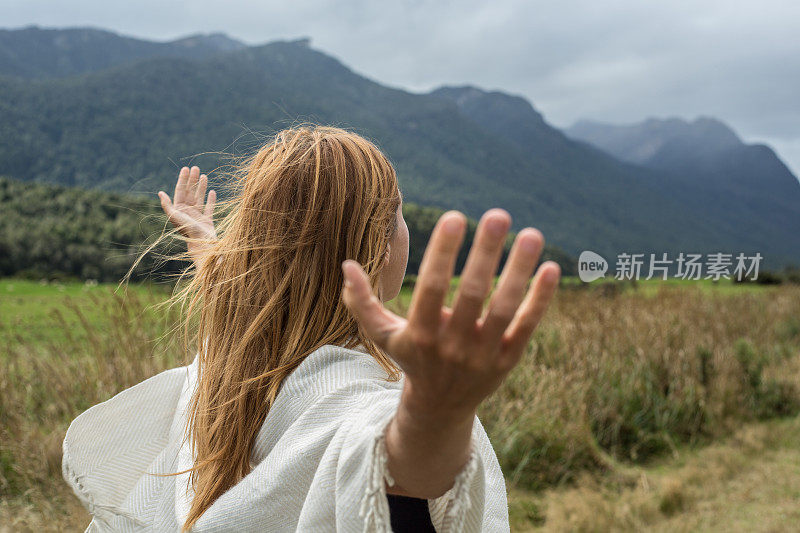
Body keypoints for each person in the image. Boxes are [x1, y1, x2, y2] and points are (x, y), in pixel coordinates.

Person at [62, 126, 561, 532]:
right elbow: (399, 467)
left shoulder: (234, 355)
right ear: (377, 244)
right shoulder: (351, 397)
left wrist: (208, 246)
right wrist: (437, 410)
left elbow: (245, 288)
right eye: (398, 213)